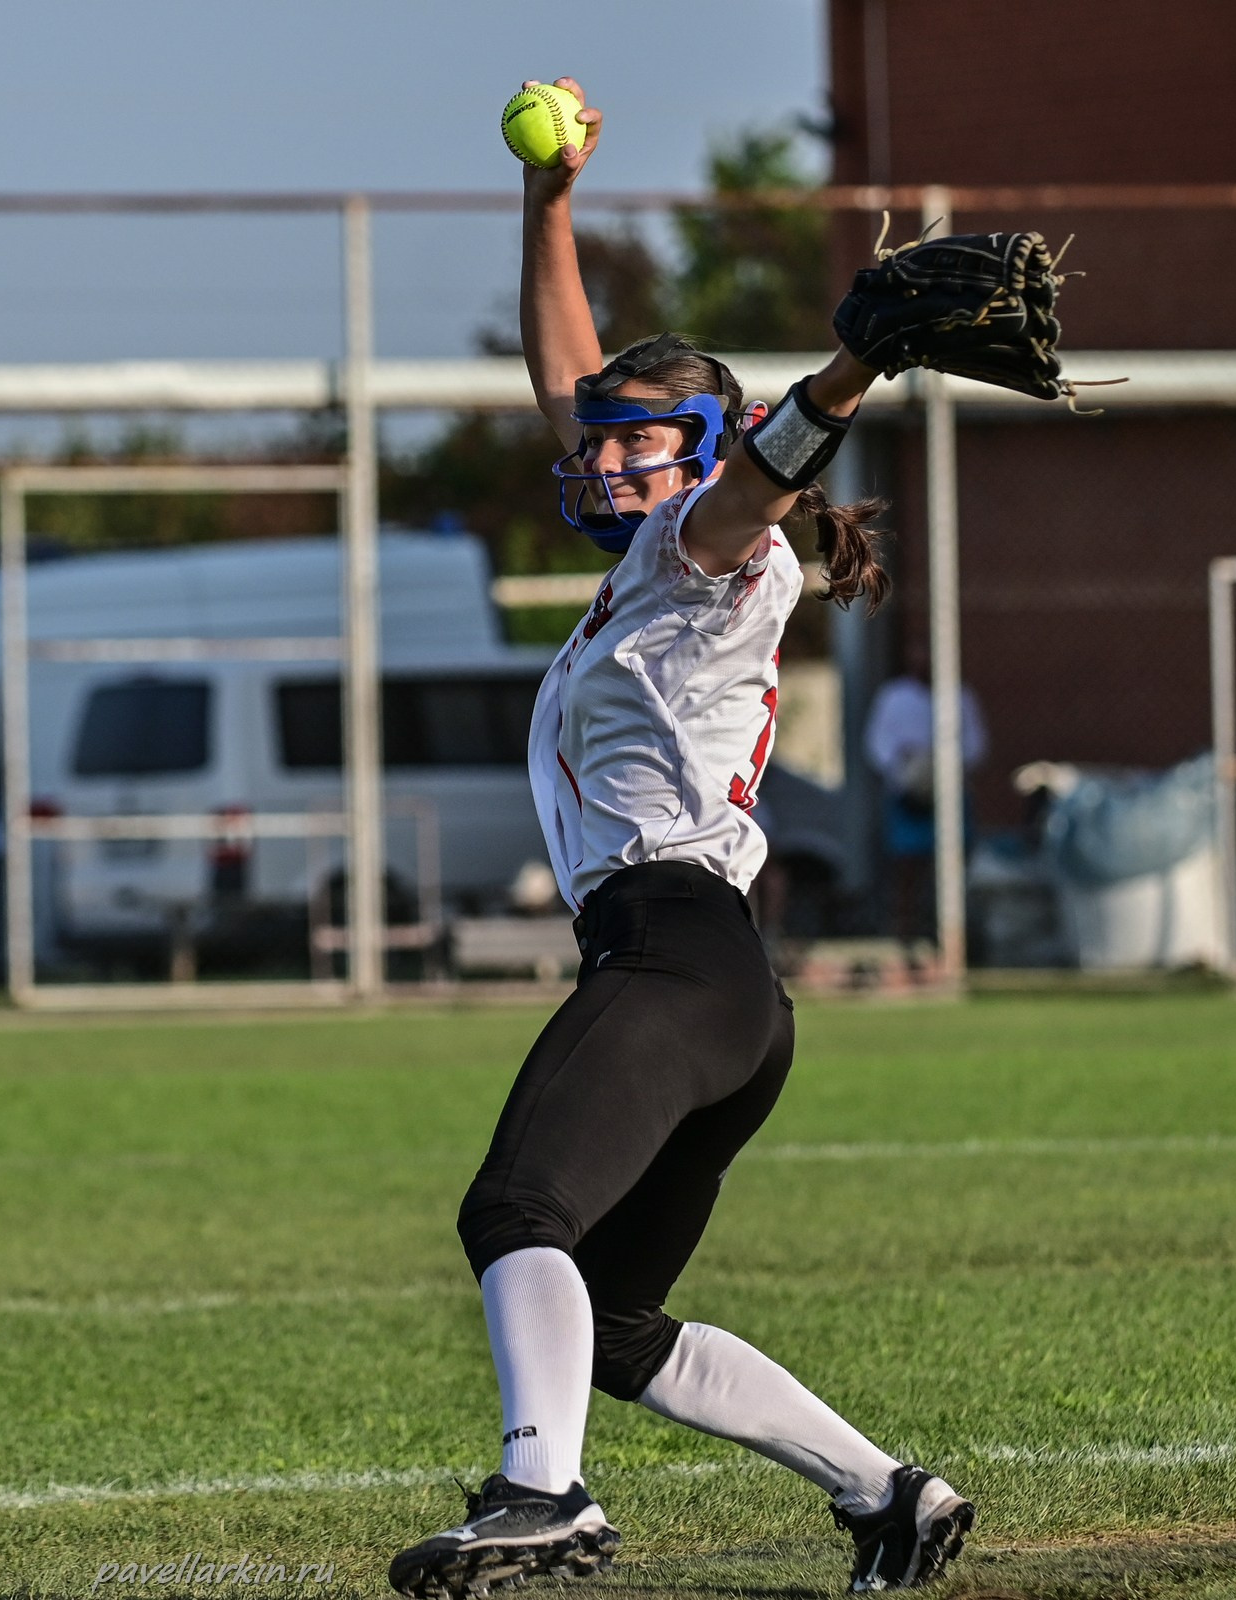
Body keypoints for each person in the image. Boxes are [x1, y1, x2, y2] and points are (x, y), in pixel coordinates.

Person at [387, 77, 974, 1598]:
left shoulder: (717, 540)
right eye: (603, 444)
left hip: (673, 954)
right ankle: (889, 1497)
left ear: (702, 451)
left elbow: (766, 464)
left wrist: (856, 359)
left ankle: (546, 1493)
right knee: (617, 1317)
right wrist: (552, 201)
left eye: (638, 444)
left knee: (515, 1212)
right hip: (717, 985)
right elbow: (573, 373)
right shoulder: (652, 559)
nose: (598, 458)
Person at [863, 633, 987, 955]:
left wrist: (945, 766)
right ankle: (904, 935)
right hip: (908, 797)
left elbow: (975, 746)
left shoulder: (960, 697)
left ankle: (952, 938)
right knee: (907, 867)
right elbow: (877, 745)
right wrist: (907, 767)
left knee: (952, 865)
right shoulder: (894, 697)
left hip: (950, 795)